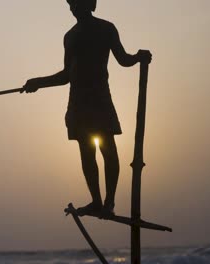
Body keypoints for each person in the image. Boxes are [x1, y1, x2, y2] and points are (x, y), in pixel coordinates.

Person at [21, 0, 152, 217]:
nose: (73, 9)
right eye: (70, 5)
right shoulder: (69, 36)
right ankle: (97, 201)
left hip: (99, 98)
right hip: (78, 103)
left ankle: (108, 203)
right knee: (87, 153)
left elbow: (123, 59)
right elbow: (66, 75)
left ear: (90, 4)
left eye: (77, 4)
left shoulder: (106, 28)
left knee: (108, 149)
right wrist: (38, 82)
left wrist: (138, 58)